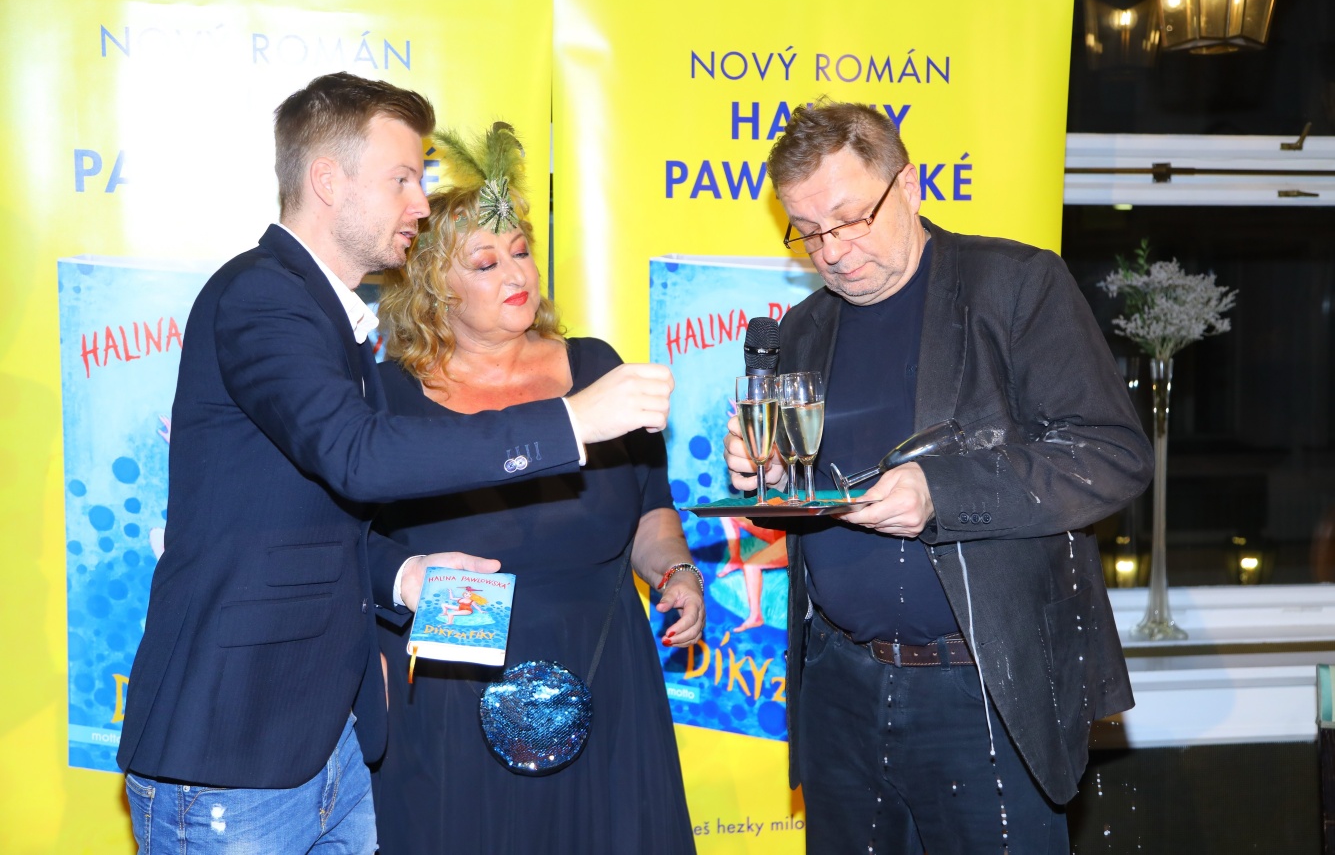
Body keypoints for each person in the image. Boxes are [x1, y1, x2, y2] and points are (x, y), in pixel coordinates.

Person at [116, 73, 674, 855]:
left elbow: (312, 515)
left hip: (329, 750)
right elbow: (357, 456)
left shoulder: (329, 320)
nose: (419, 202)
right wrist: (571, 420)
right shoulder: (263, 296)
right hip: (237, 748)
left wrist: (403, 576)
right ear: (328, 181)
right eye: (402, 179)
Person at [723, 99, 1153, 855]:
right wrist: (766, 476)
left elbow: (1111, 455)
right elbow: (800, 500)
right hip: (838, 686)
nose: (833, 251)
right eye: (809, 231)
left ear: (910, 185)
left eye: (850, 219)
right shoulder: (803, 329)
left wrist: (941, 494)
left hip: (982, 688)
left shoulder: (1014, 286)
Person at [371, 123, 702, 855]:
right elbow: (358, 547)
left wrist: (676, 570)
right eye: (485, 262)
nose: (514, 273)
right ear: (433, 286)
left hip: (602, 663)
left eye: (520, 252)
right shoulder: (388, 398)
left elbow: (648, 508)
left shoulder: (596, 368)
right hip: (453, 685)